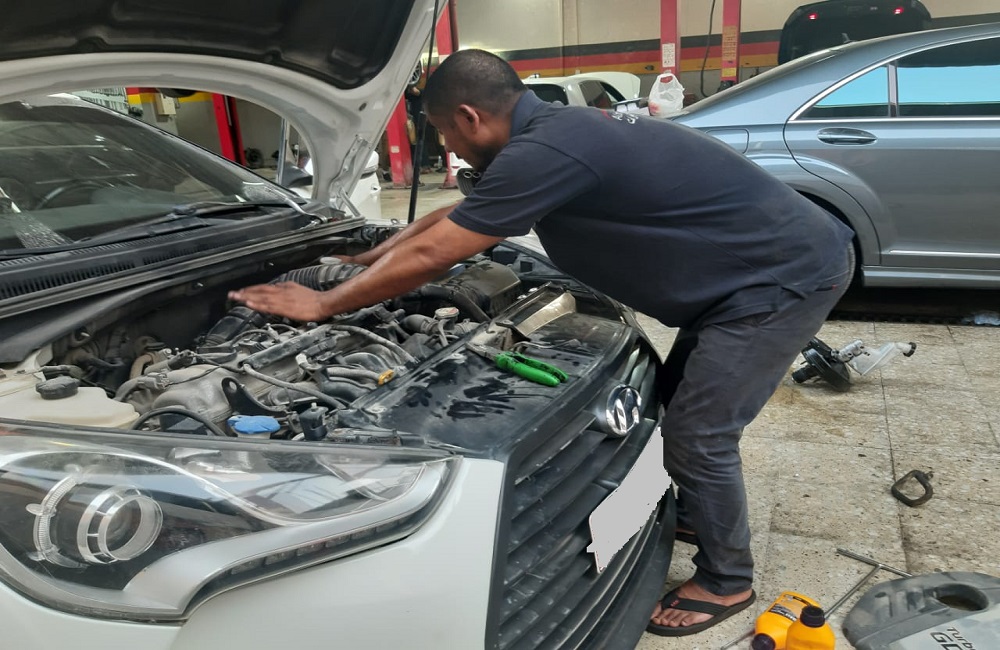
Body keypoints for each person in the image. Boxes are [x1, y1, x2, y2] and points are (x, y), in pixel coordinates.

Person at [229, 49, 855, 637]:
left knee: (699, 432)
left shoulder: (550, 148)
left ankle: (727, 580)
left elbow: (439, 253)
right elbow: (450, 219)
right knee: (675, 401)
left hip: (779, 281)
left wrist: (326, 303)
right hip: (740, 281)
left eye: (444, 132)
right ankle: (695, 510)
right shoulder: (548, 137)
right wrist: (369, 258)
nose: (448, 146)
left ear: (469, 117)